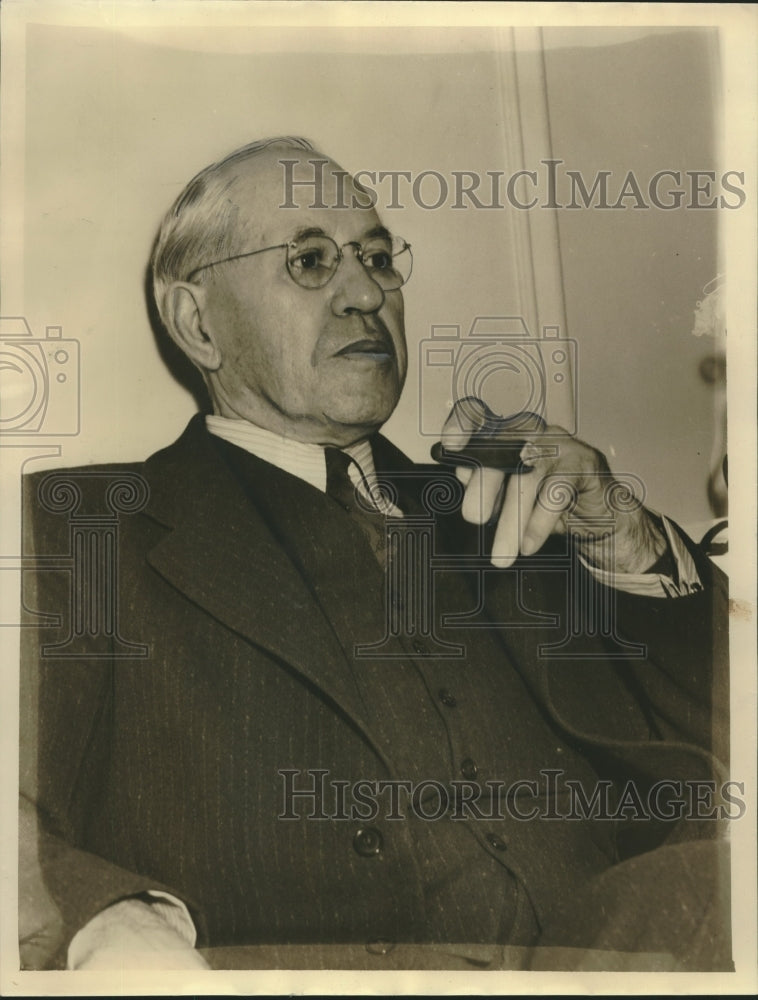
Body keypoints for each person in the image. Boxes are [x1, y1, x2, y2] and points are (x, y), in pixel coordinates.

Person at [19, 136, 730, 973]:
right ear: (196, 321)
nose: (366, 292)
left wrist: (629, 541)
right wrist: (112, 919)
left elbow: (721, 746)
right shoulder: (78, 531)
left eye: (379, 257)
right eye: (311, 261)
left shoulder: (509, 501)